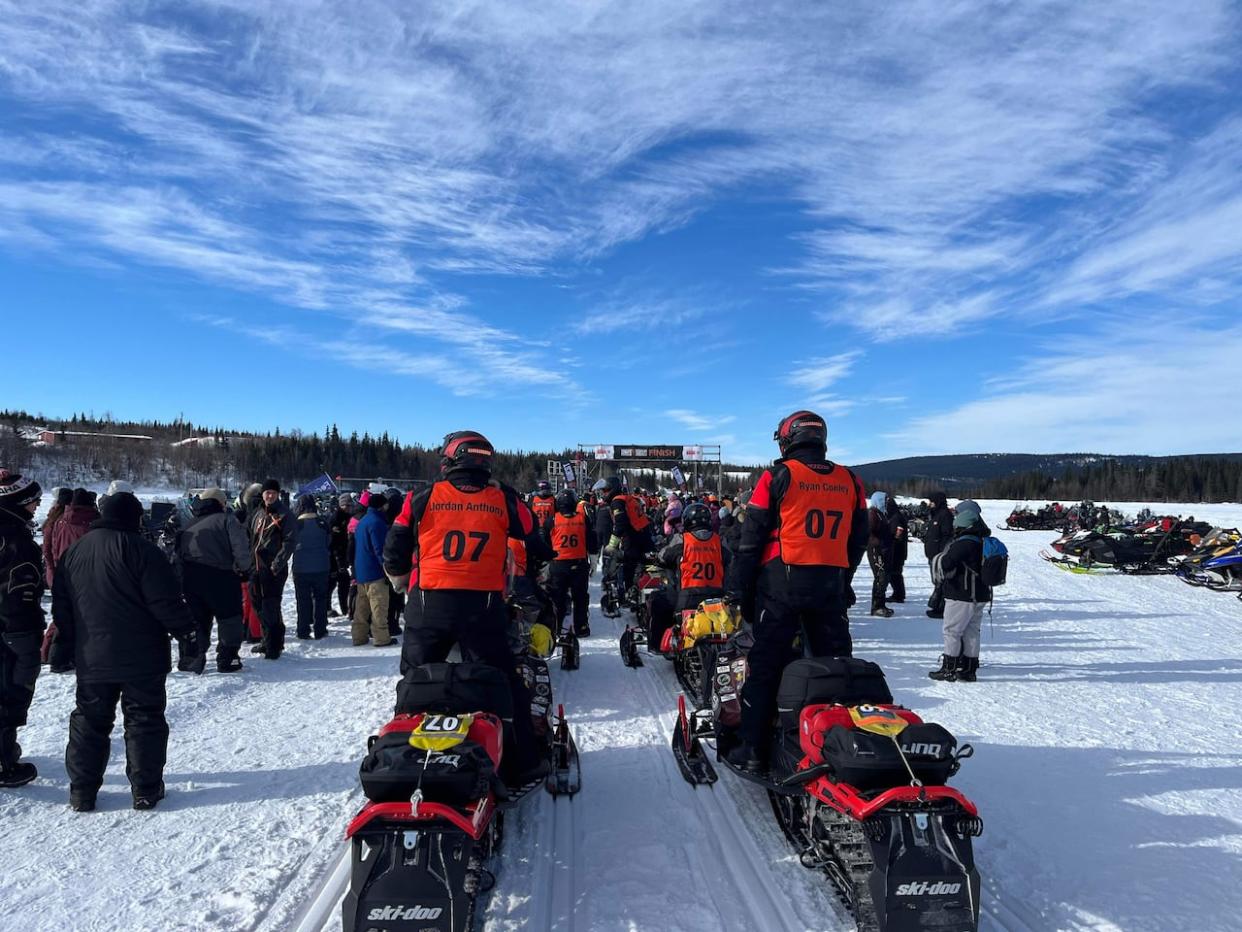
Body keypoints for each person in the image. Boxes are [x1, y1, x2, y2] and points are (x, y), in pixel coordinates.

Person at [383, 431, 554, 784]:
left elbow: (397, 541)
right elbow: (528, 528)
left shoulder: (423, 495)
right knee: (503, 682)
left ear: (449, 459)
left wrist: (399, 577)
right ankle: (522, 763)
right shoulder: (501, 497)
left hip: (430, 602)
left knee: (415, 679)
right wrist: (503, 491)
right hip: (483, 605)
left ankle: (402, 757)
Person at [724, 411, 868, 773]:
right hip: (829, 585)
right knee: (837, 664)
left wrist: (738, 591)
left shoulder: (777, 476)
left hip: (781, 585)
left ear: (788, 439)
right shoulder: (850, 480)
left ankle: (752, 748)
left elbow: (749, 541)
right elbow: (859, 538)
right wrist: (843, 578)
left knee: (766, 667)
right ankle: (844, 743)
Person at [52, 490, 202, 811]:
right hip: (142, 655)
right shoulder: (143, 551)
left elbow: (62, 608)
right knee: (144, 719)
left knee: (89, 721)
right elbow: (166, 602)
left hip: (92, 656)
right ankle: (145, 789)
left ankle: (82, 791)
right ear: (134, 518)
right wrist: (187, 633)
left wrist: (63, 645)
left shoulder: (74, 552)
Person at [0, 471, 45, 788]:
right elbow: (19, 590)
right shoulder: (16, 539)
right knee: (13, 692)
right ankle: (4, 762)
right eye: (33, 502)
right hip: (14, 627)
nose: (37, 507)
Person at [177, 487, 252, 672]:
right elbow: (241, 549)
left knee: (197, 620)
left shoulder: (189, 523)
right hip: (222, 577)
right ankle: (228, 658)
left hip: (191, 578)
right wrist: (245, 569)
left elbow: (177, 554)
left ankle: (192, 657)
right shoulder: (228, 520)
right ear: (221, 503)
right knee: (229, 618)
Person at [648, 501, 729, 651]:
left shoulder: (683, 539)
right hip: (718, 597)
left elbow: (663, 557)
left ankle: (656, 645)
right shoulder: (719, 541)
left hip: (687, 598)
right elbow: (731, 562)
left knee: (656, 600)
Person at [929, 506, 992, 683]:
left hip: (962, 594)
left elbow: (947, 563)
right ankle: (970, 670)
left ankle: (949, 668)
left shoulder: (964, 543)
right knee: (972, 631)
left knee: (952, 631)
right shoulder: (981, 540)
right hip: (980, 595)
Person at [247, 479, 296, 659]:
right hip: (255, 567)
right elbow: (249, 537)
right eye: (267, 492)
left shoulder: (284, 515)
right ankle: (268, 639)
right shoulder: (258, 513)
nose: (270, 496)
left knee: (270, 606)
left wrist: (277, 564)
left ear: (277, 495)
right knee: (258, 605)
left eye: (273, 493)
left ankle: (274, 645)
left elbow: (290, 542)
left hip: (273, 568)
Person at [545, 488, 598, 638]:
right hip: (579, 564)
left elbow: (545, 544)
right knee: (580, 598)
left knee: (557, 598)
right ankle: (581, 627)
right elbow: (591, 540)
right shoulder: (583, 518)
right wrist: (593, 561)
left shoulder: (552, 520)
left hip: (558, 565)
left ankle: (556, 627)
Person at [596, 476, 652, 600]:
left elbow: (620, 525)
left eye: (605, 490)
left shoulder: (617, 501)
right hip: (644, 534)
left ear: (612, 489)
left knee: (628, 566)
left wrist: (612, 544)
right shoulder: (629, 498)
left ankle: (629, 594)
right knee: (644, 565)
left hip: (633, 537)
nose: (603, 494)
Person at [351, 492, 392, 647]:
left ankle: (358, 636)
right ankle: (381, 638)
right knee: (378, 606)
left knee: (361, 608)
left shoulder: (362, 521)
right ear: (382, 506)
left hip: (361, 570)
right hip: (375, 571)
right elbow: (380, 549)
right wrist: (387, 568)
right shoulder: (377, 523)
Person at [291, 494, 332, 640]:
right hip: (321, 566)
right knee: (320, 598)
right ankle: (320, 629)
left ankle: (303, 630)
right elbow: (328, 542)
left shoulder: (295, 525)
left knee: (302, 600)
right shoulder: (323, 523)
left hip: (301, 568)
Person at [44, 489, 99, 590]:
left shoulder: (58, 521)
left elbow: (50, 550)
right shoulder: (95, 523)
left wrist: (52, 573)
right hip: (88, 581)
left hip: (62, 575)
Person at [923, 491, 954, 619]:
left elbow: (947, 535)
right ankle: (938, 605)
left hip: (939, 555)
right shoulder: (935, 514)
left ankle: (941, 608)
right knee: (937, 581)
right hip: (932, 554)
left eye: (932, 502)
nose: (930, 504)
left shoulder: (945, 515)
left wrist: (942, 552)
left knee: (941, 581)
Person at [867, 491, 894, 617]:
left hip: (883, 550)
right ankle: (876, 606)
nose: (887, 502)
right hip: (876, 550)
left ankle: (880, 604)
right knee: (880, 577)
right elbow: (868, 532)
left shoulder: (881, 514)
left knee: (884, 578)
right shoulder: (873, 514)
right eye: (885, 500)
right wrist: (878, 542)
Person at [40, 487, 73, 583]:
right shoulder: (63, 521)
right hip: (62, 568)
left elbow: (46, 549)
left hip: (54, 568)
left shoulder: (52, 518)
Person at [328, 493, 354, 618]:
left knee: (343, 582)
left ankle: (344, 607)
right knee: (333, 582)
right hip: (334, 556)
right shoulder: (336, 517)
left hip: (343, 553)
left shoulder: (349, 516)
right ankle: (330, 607)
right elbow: (334, 541)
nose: (348, 507)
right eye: (345, 505)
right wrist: (339, 561)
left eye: (349, 505)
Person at [886, 496, 908, 603]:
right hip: (898, 550)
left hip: (897, 550)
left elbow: (898, 533)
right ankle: (898, 593)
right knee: (895, 573)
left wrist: (892, 540)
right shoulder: (896, 516)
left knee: (895, 573)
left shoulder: (896, 518)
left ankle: (899, 594)